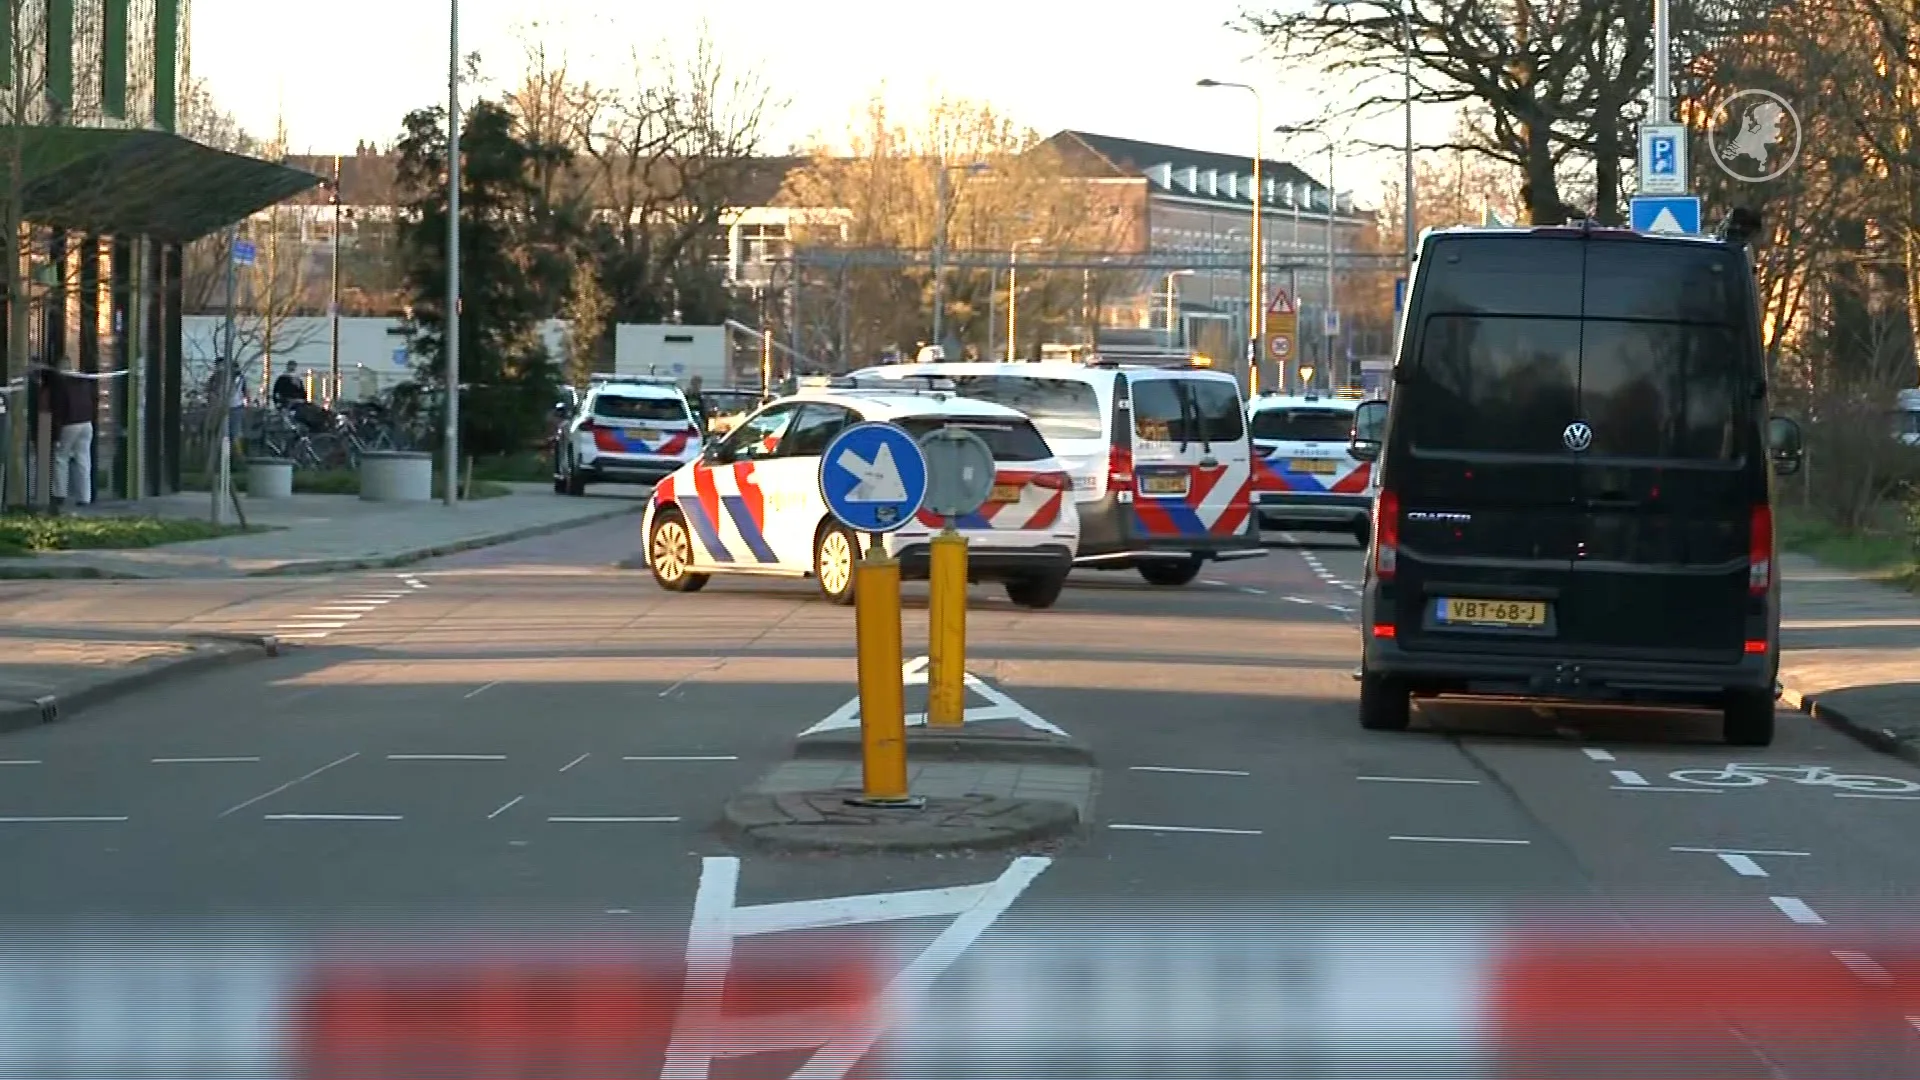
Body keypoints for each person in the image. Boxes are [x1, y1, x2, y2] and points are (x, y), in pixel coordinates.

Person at [45, 366, 95, 510]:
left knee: (61, 457)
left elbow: (59, 408)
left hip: (69, 423)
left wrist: (56, 434)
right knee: (83, 459)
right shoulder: (83, 382)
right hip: (86, 422)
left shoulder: (59, 385)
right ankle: (85, 497)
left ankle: (59, 494)